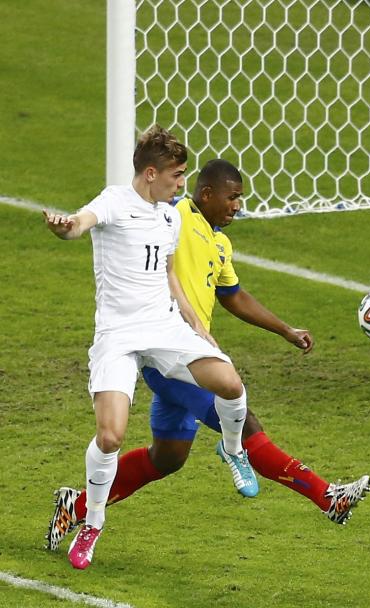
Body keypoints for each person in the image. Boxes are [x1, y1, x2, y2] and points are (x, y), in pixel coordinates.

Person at [45, 159, 370, 554]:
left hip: (186, 353)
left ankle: (75, 505)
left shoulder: (220, 243)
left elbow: (232, 295)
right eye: (232, 197)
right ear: (206, 194)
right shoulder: (176, 215)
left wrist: (285, 329)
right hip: (164, 355)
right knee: (246, 423)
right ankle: (328, 498)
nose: (238, 206)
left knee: (167, 458)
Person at [43, 126, 259, 570]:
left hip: (163, 326)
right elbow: (81, 225)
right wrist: (66, 227)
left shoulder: (169, 216)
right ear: (150, 173)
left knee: (231, 384)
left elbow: (166, 273)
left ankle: (234, 449)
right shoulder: (114, 201)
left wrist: (196, 324)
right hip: (118, 335)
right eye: (177, 176)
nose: (183, 185)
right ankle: (92, 523)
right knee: (111, 436)